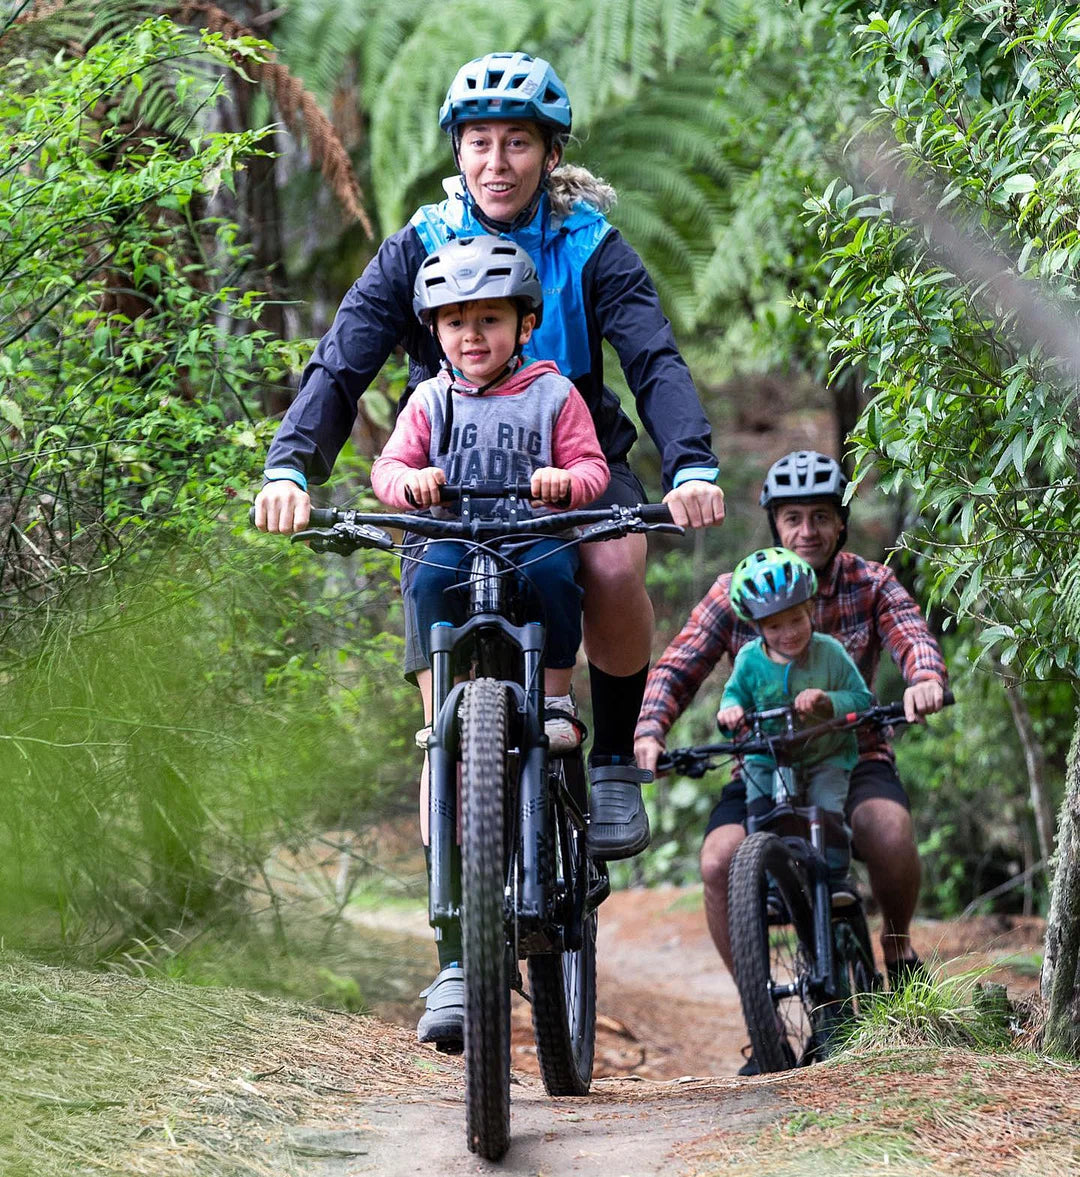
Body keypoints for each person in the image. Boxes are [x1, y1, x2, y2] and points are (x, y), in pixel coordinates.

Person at [253, 51, 726, 868]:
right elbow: (344, 358)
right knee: (438, 702)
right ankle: (454, 944)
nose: (496, 163)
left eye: (517, 143)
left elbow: (654, 360)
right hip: (449, 472)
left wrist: (690, 465)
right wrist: (291, 466)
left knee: (613, 569)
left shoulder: (588, 245)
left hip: (571, 462)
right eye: (479, 143)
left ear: (550, 154)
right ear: (457, 151)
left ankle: (611, 758)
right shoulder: (419, 246)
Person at [370, 234, 609, 1047]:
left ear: (525, 321)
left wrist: (563, 483)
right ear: (434, 330)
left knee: (557, 570)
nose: (472, 335)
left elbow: (593, 470)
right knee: (424, 572)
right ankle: (439, 712)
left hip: (528, 541)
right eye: (455, 321)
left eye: (490, 319)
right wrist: (410, 483)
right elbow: (388, 469)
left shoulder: (553, 394)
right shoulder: (430, 401)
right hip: (457, 549)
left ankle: (551, 697)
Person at [635, 451, 947, 1036]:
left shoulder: (869, 581)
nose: (808, 531)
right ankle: (761, 1015)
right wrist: (650, 729)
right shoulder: (740, 590)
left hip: (851, 754)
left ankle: (899, 951)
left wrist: (924, 680)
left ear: (841, 523)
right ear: (775, 523)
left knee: (890, 830)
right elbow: (679, 665)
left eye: (822, 517)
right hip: (765, 760)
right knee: (718, 862)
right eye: (794, 518)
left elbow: (910, 635)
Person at [719, 546, 874, 894]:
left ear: (810, 611)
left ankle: (834, 882)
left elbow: (862, 701)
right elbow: (734, 696)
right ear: (756, 626)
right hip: (766, 756)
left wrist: (827, 701)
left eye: (795, 619)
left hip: (826, 755)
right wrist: (729, 710)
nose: (788, 632)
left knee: (826, 809)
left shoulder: (829, 652)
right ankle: (775, 887)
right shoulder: (748, 660)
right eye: (774, 626)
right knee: (760, 817)